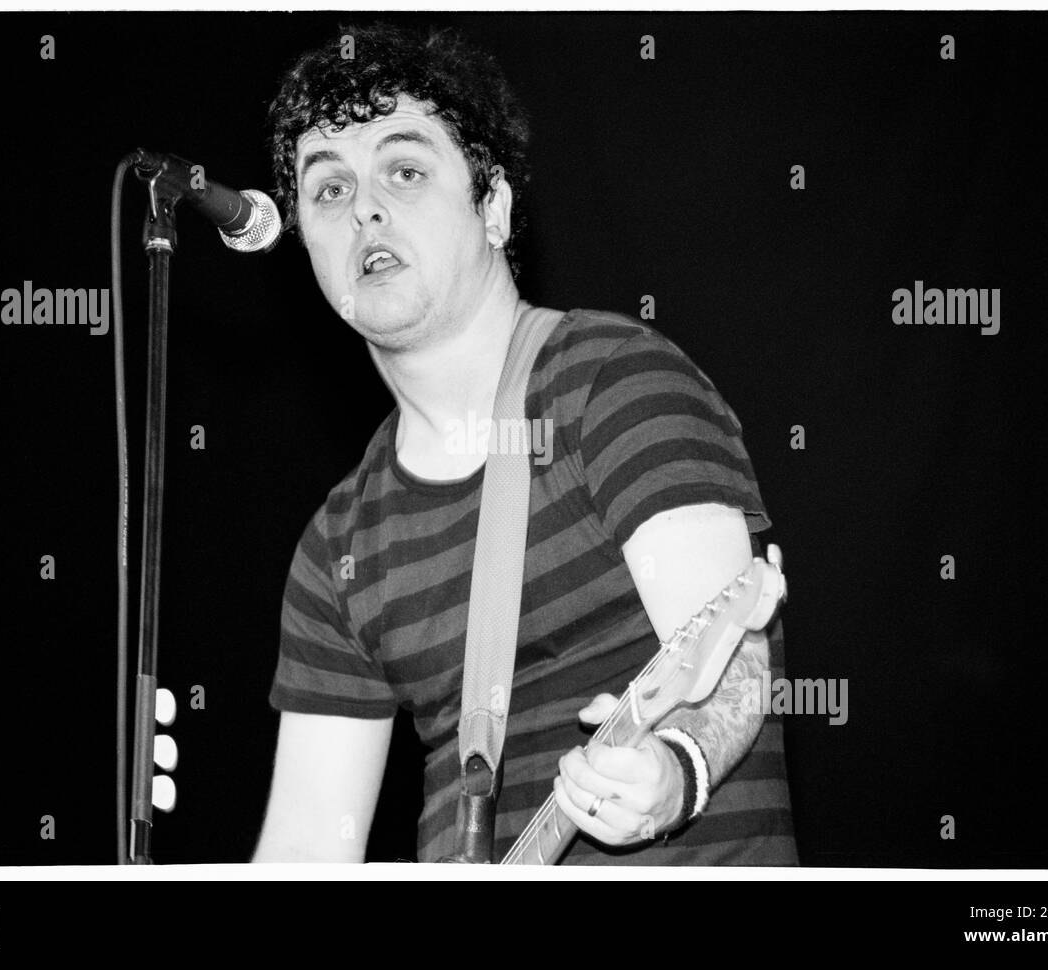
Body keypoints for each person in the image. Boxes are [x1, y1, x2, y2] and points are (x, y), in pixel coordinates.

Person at [253, 22, 797, 865]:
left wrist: (674, 769)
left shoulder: (610, 384)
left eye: (404, 170)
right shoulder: (339, 543)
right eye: (328, 191)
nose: (364, 207)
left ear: (495, 207)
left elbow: (732, 659)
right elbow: (307, 848)